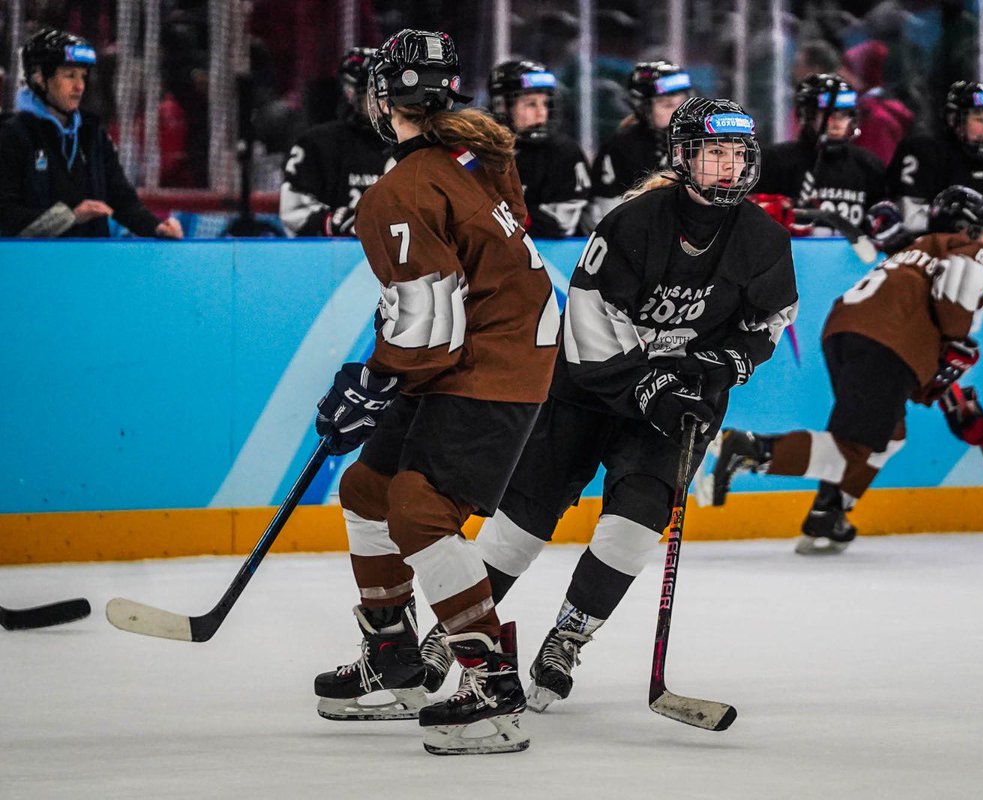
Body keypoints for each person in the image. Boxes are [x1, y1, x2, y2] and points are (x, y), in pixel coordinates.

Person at [440, 97, 798, 711]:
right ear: (683, 157)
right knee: (523, 523)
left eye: (738, 155)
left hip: (682, 403)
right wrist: (648, 384)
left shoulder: (762, 238)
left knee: (635, 522)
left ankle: (567, 639)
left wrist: (729, 362)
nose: (728, 167)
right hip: (588, 392)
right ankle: (448, 639)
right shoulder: (634, 222)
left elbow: (771, 317)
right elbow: (587, 318)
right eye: (714, 153)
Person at [310, 29, 557, 756]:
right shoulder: (475, 159)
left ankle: (491, 688)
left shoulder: (402, 189)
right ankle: (395, 661)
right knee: (367, 489)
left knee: (419, 511)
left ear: (385, 99)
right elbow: (447, 306)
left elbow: (428, 325)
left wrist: (374, 380)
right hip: (478, 354)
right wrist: (383, 377)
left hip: (491, 365)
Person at [702, 186, 983, 555]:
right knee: (853, 447)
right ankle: (750, 449)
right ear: (968, 228)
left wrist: (949, 389)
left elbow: (924, 328)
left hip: (848, 332)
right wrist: (956, 345)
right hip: (886, 342)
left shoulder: (915, 252)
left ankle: (829, 512)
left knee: (889, 434)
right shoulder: (964, 249)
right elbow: (952, 309)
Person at [0, 28, 182, 239]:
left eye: (83, 77)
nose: (79, 86)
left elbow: (122, 199)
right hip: (31, 265)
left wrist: (156, 227)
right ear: (40, 79)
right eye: (69, 76)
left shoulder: (91, 134)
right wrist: (70, 217)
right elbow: (5, 216)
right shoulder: (11, 135)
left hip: (92, 261)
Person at [751, 73, 886, 237]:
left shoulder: (868, 166)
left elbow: (880, 227)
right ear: (807, 115)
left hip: (852, 260)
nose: (836, 124)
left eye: (843, 115)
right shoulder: (775, 161)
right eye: (826, 115)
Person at [279, 47, 393, 237]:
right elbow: (294, 211)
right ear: (350, 93)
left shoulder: (414, 144)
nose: (385, 102)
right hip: (334, 260)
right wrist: (333, 222)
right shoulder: (317, 144)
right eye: (375, 93)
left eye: (390, 92)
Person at [886, 81, 983, 232]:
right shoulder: (924, 150)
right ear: (954, 120)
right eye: (981, 120)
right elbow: (905, 218)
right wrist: (949, 222)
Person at [488, 60, 591, 238]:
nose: (541, 112)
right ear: (502, 106)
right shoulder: (479, 151)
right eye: (530, 104)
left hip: (554, 260)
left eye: (544, 103)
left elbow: (560, 223)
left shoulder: (564, 153)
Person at [584, 60, 693, 229]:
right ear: (643, 106)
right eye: (667, 105)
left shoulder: (703, 141)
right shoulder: (621, 147)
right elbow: (607, 216)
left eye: (683, 104)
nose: (679, 113)